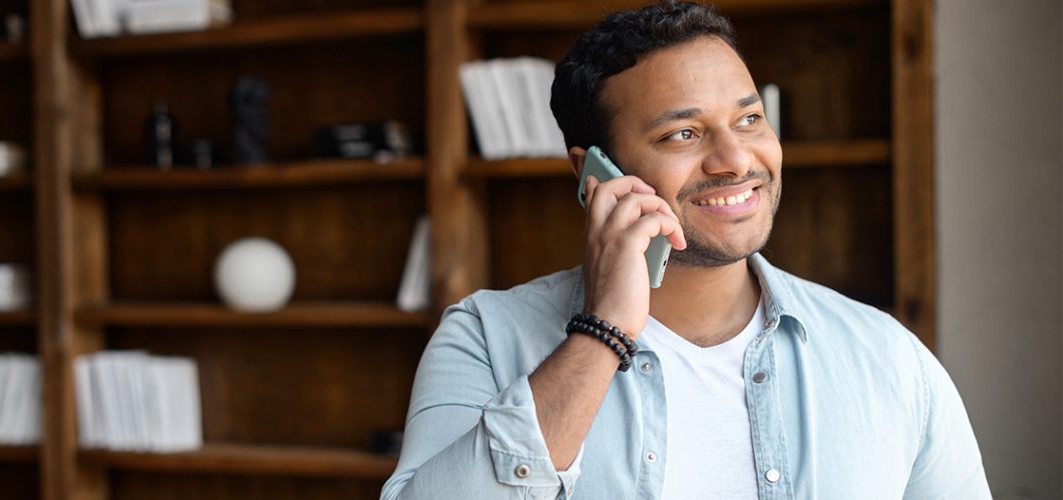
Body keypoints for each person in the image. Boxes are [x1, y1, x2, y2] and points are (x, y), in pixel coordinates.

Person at [381, 2, 990, 498]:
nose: (735, 160)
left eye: (749, 121)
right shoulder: (485, 337)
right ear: (594, 173)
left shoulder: (888, 357)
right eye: (684, 133)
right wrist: (602, 333)